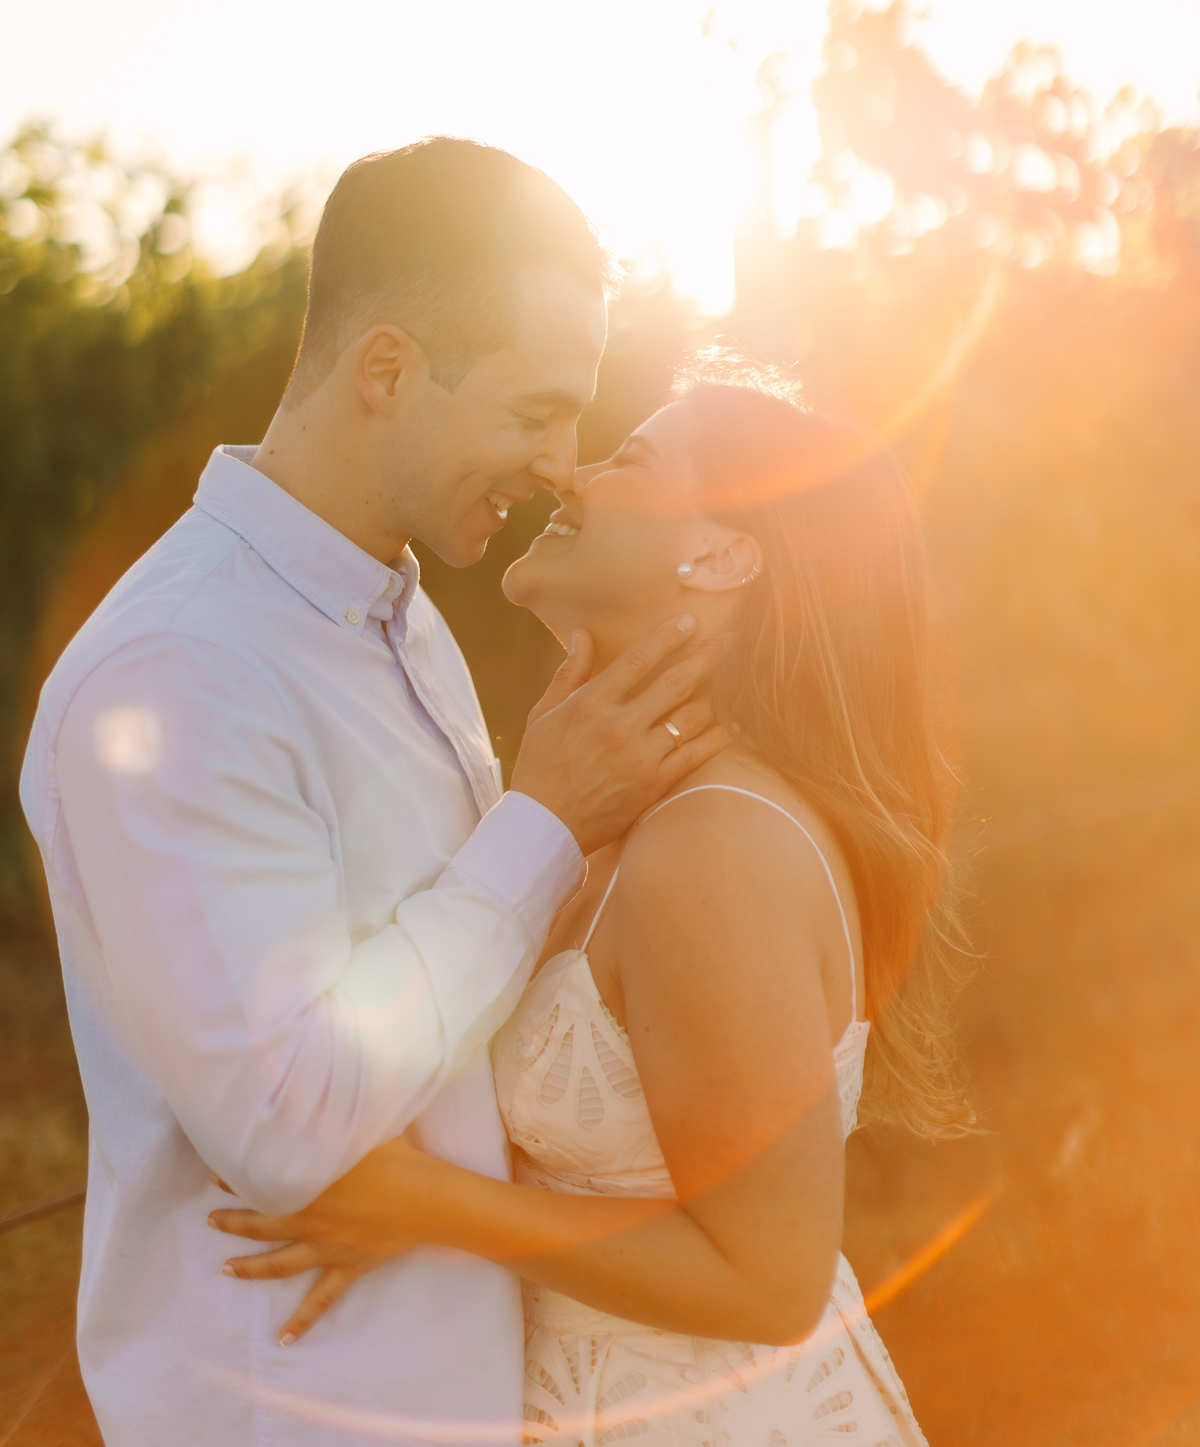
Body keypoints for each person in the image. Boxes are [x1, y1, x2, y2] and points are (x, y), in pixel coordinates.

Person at [19, 139, 728, 1447]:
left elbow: (442, 1010)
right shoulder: (177, 670)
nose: (563, 463)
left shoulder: (401, 618)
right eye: (535, 412)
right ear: (388, 370)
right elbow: (289, 1120)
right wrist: (544, 825)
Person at [211, 353, 975, 1447]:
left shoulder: (716, 843)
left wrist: (423, 1206)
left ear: (722, 554)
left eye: (630, 458)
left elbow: (772, 1279)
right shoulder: (614, 810)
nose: (572, 474)